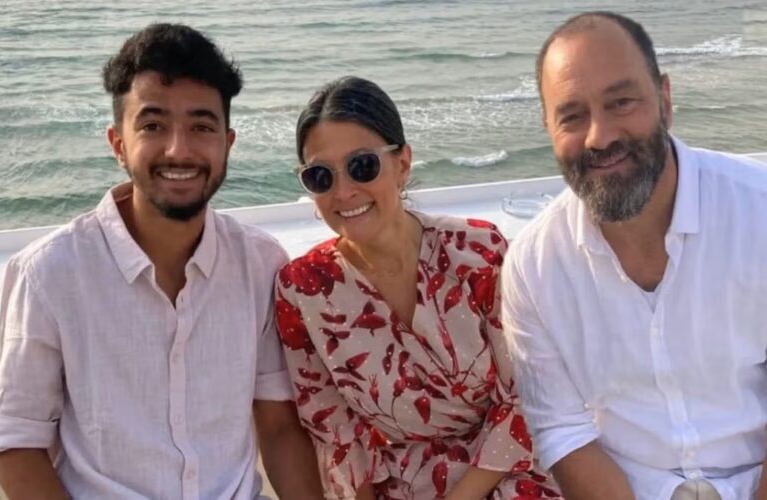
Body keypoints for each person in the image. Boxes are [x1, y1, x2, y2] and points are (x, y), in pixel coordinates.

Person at [0, 23, 322, 500]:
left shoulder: (260, 264)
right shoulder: (48, 274)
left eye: (201, 126)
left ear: (227, 144)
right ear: (119, 143)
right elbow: (17, 442)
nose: (179, 149)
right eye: (153, 125)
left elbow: (279, 426)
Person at [501, 11, 767, 500]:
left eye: (621, 102)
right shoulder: (533, 266)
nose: (600, 136)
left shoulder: (758, 211)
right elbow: (562, 429)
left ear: (665, 99)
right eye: (572, 115)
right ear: (547, 127)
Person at [274, 76, 560, 499]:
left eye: (362, 165)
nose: (344, 191)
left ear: (403, 164)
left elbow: (524, 396)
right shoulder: (303, 289)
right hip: (403, 483)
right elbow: (335, 430)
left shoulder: (478, 252)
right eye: (321, 176)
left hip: (507, 469)